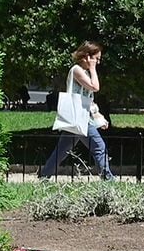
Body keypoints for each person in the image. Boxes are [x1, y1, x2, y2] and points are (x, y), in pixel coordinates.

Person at [40, 41, 114, 180]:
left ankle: (44, 176)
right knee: (99, 147)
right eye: (96, 58)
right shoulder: (77, 70)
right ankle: (108, 180)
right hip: (80, 117)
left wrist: (98, 117)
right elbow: (95, 87)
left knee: (61, 151)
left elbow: (88, 98)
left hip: (80, 116)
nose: (97, 62)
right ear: (87, 56)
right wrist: (92, 68)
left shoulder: (84, 71)